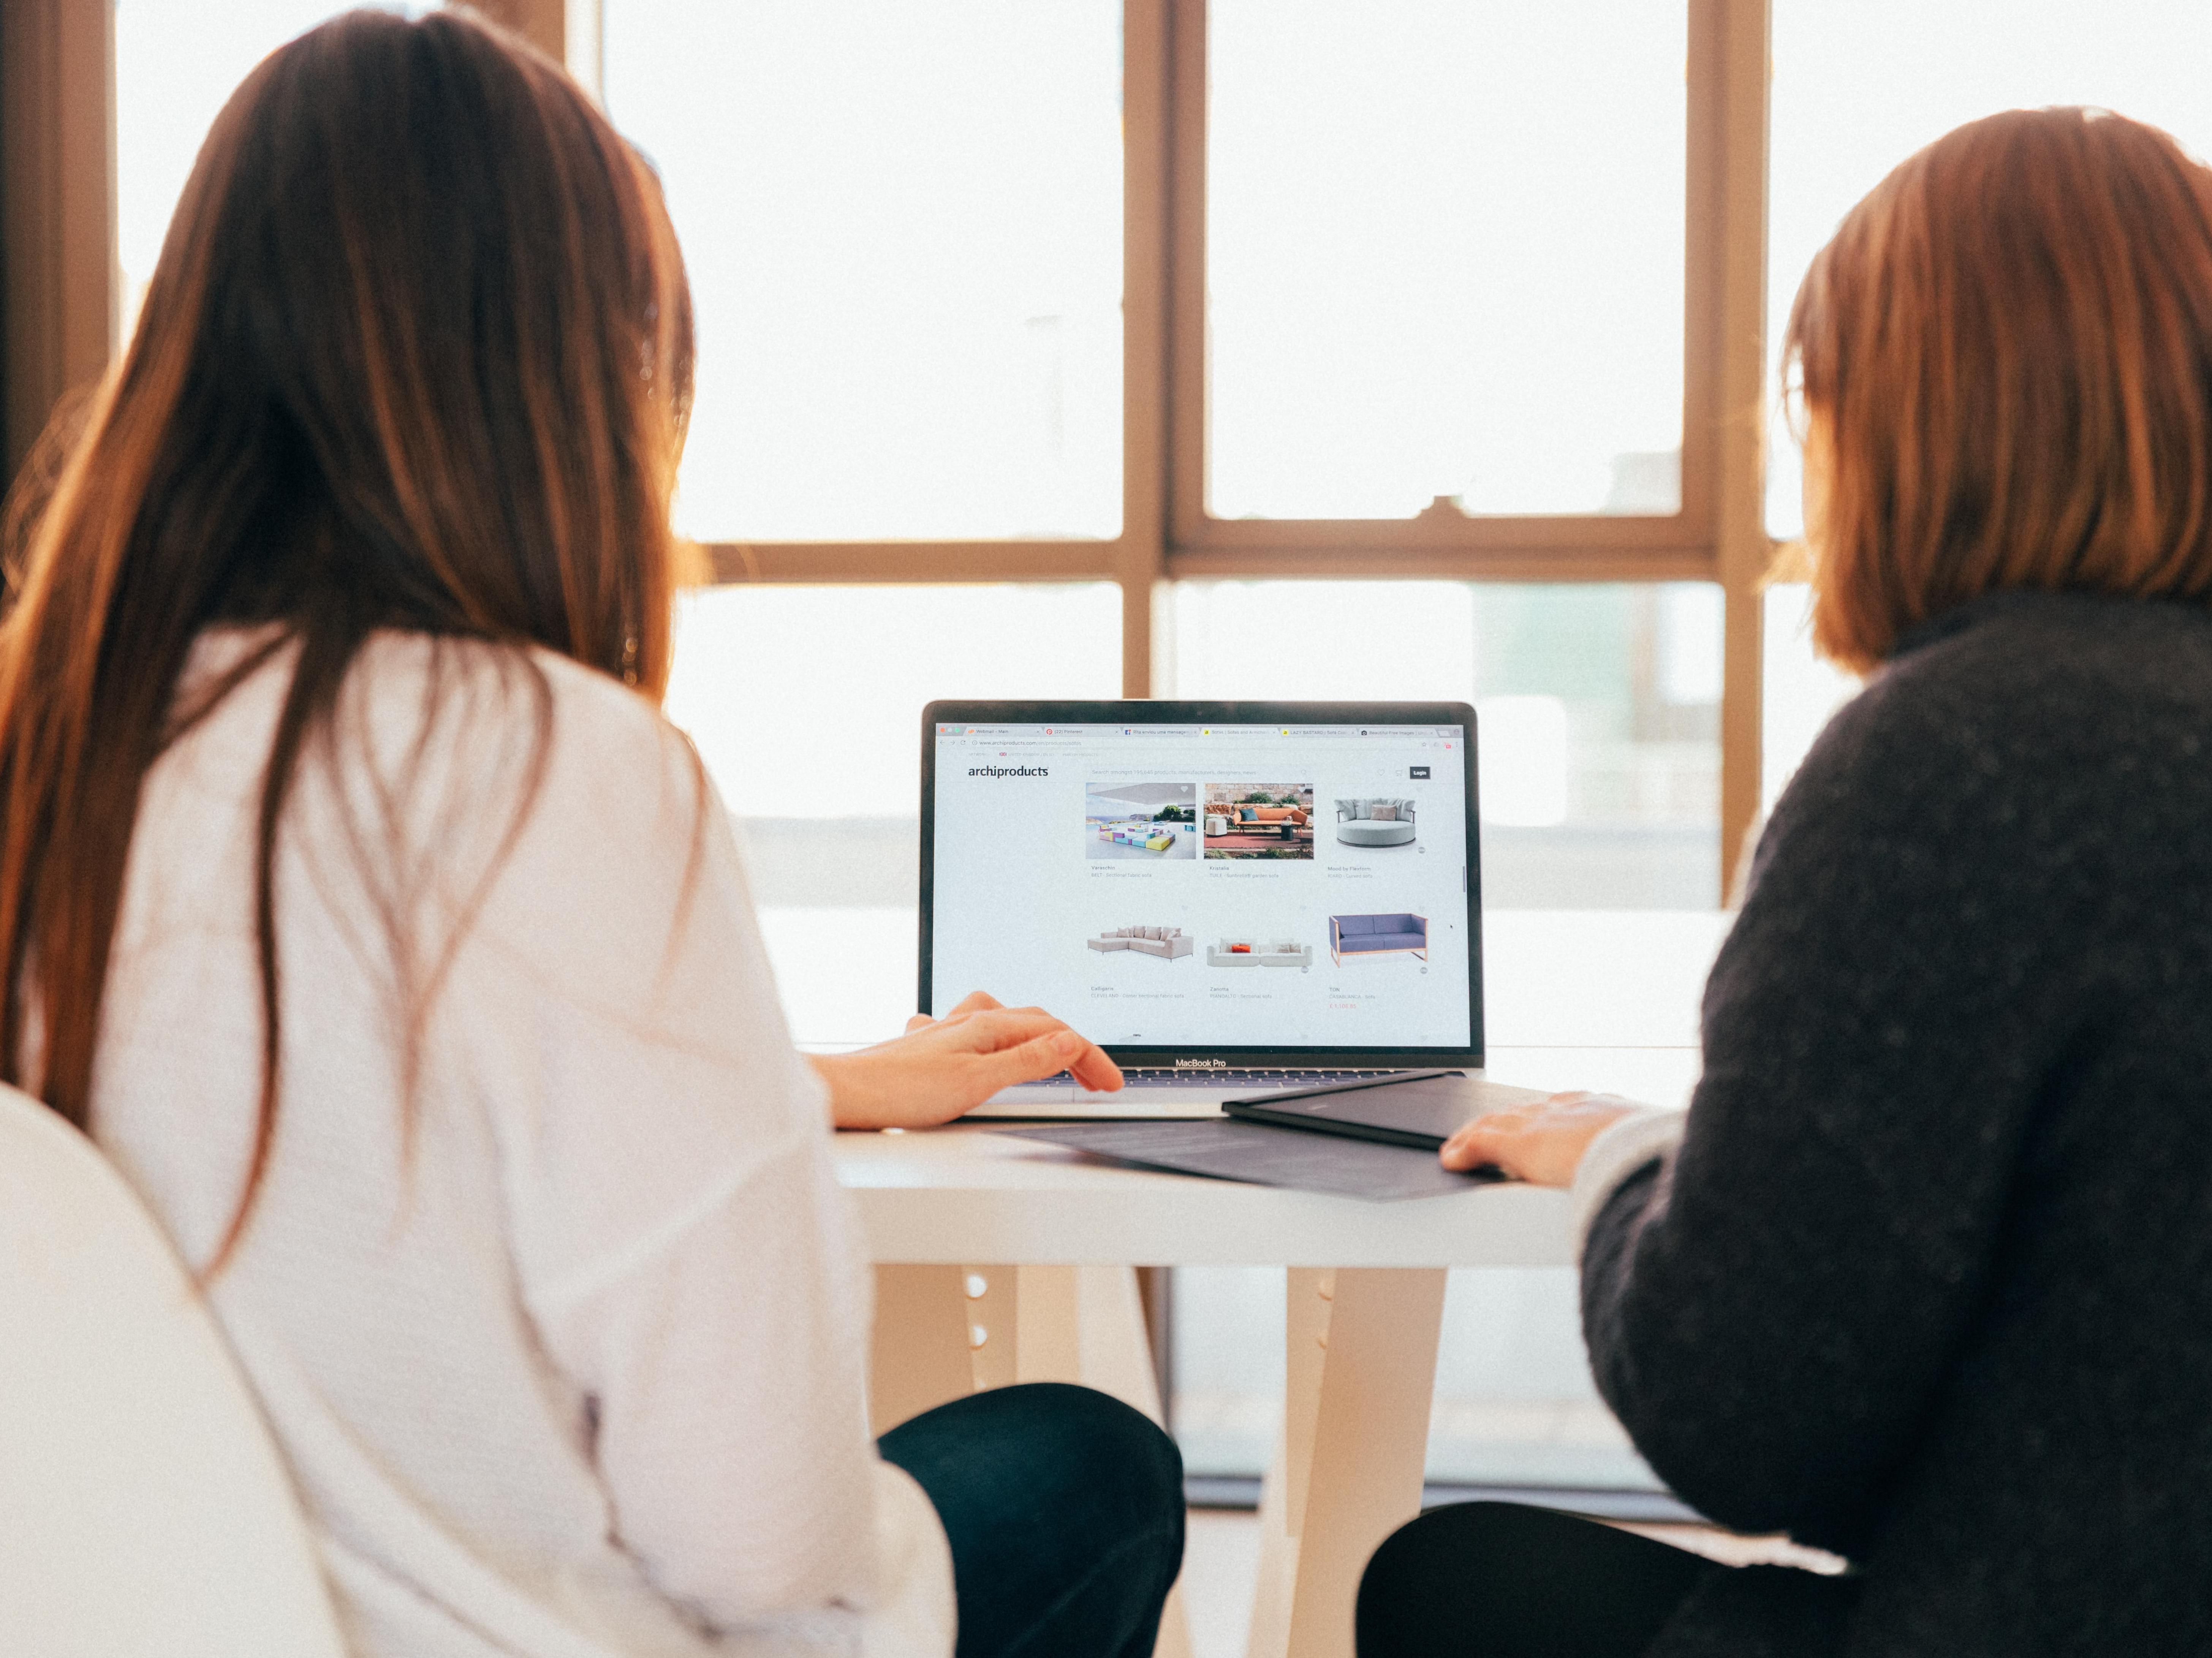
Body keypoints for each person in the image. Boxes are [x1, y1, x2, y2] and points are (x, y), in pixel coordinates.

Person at [0, 11, 1182, 1658]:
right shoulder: (558, 765)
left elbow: (331, 1117)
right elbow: (759, 1541)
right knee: (1091, 1464)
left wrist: (810, 1084)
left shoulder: (55, 737)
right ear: (565, 385)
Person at [1357, 106, 2212, 1657]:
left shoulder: (1959, 754)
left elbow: (1743, 1424)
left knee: (1442, 1587)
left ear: (1901, 421)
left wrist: (1626, 1162)